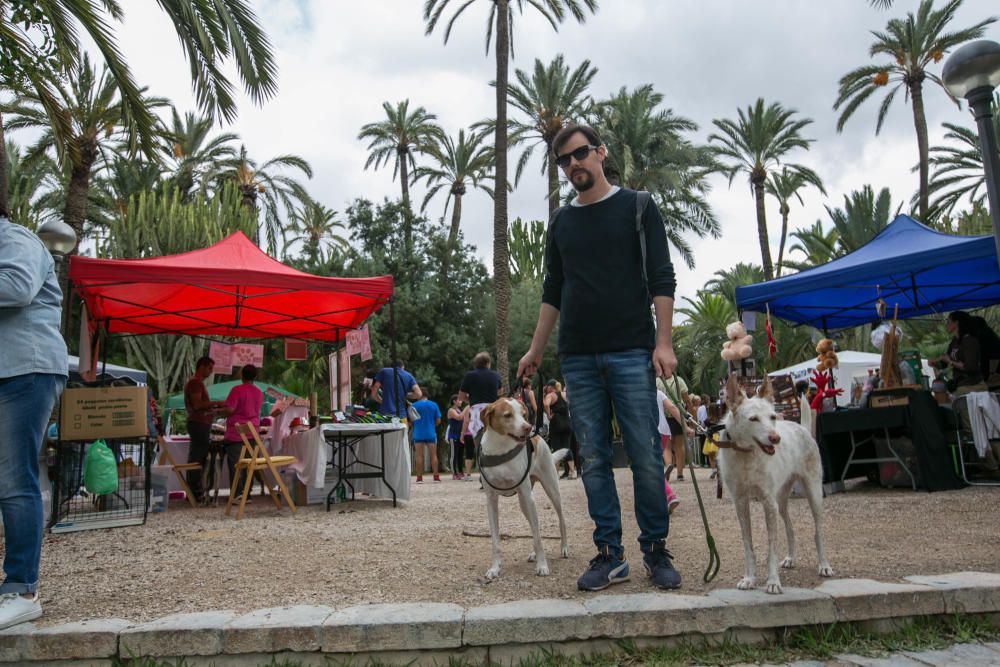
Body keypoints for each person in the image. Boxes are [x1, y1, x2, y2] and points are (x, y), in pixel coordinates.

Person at [517, 123, 682, 592]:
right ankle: (610, 554)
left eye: (580, 154)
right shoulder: (561, 222)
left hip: (632, 351)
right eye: (563, 160)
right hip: (578, 359)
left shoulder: (638, 207)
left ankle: (655, 550)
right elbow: (554, 290)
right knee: (592, 460)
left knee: (647, 457)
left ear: (600, 152)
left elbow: (662, 277)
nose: (573, 165)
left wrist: (663, 342)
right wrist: (535, 348)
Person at [0, 215, 68, 630]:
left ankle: (21, 590)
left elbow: (17, 287)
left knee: (13, 480)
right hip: (10, 370)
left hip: (25, 369)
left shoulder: (15, 238)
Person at [184, 356, 227, 503]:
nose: (210, 372)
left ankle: (194, 492)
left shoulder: (196, 383)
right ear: (201, 366)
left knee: (197, 456)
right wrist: (216, 403)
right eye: (209, 368)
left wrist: (213, 409)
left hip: (200, 422)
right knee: (197, 457)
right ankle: (195, 493)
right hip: (198, 423)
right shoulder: (195, 383)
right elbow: (197, 405)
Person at [219, 365, 264, 501]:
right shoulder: (259, 392)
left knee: (236, 464)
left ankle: (237, 493)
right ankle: (247, 493)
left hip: (236, 433)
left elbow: (230, 409)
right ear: (255, 377)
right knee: (249, 464)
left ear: (241, 376)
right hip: (253, 431)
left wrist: (221, 411)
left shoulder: (237, 390)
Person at [458, 351, 502, 480]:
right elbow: (500, 391)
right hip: (492, 411)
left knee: (480, 445)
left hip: (477, 413)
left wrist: (470, 401)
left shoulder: (469, 376)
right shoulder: (495, 375)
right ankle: (497, 475)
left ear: (476, 364)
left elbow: (461, 396)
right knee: (495, 443)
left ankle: (484, 477)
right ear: (488, 363)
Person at [660, 373, 691, 482]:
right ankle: (680, 474)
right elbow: (687, 400)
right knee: (679, 445)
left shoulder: (656, 382)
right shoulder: (679, 380)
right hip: (678, 415)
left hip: (663, 415)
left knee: (666, 446)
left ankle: (668, 464)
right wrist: (691, 414)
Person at [654, 388, 680, 514]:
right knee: (655, 465)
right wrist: (686, 427)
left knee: (652, 468)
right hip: (664, 431)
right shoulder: (658, 392)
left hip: (651, 430)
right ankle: (663, 498)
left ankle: (669, 496)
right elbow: (673, 408)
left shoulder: (635, 391)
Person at [544, 380, 576, 479]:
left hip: (556, 423)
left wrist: (549, 415)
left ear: (550, 387)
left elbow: (546, 404)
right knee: (567, 447)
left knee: (556, 448)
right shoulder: (565, 394)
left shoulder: (551, 395)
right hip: (567, 422)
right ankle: (573, 471)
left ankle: (556, 474)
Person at [411, 394, 443, 483]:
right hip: (430, 433)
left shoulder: (413, 405)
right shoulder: (434, 404)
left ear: (420, 394)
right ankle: (436, 477)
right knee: (433, 455)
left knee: (419, 456)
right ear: (427, 395)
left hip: (418, 433)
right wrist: (432, 426)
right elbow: (438, 420)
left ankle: (419, 478)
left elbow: (411, 421)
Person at [446, 395, 466, 480]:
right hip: (453, 436)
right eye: (459, 400)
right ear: (454, 401)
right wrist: (466, 409)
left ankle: (460, 472)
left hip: (460, 436)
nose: (461, 402)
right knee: (453, 455)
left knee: (460, 455)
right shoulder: (451, 410)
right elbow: (459, 417)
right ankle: (454, 473)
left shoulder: (459, 410)